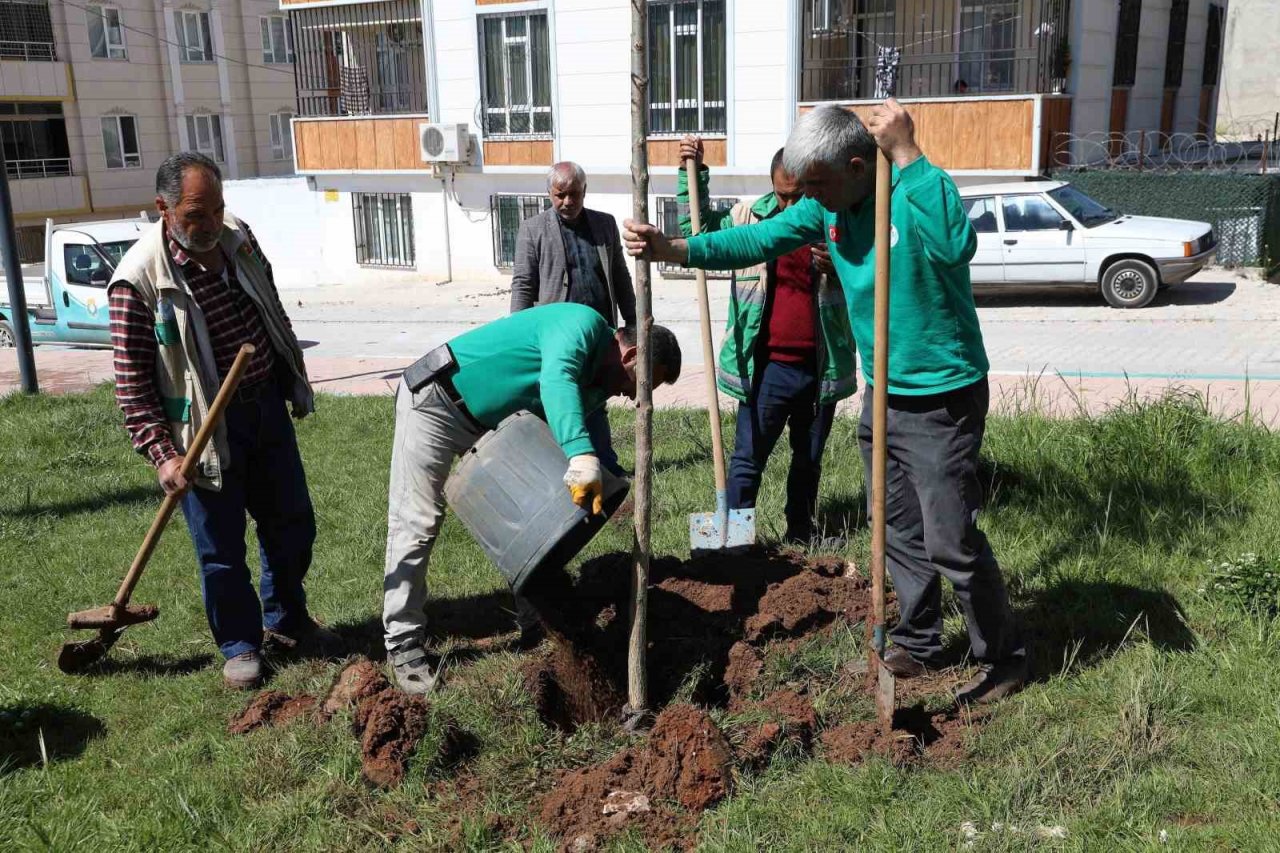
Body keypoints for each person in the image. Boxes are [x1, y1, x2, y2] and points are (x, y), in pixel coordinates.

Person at [622, 100, 1028, 705]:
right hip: (883, 395)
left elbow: (956, 247)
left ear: (861, 166)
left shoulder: (915, 187)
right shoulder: (824, 207)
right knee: (896, 530)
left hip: (942, 395)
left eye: (816, 183)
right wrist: (675, 250)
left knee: (949, 538)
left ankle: (1002, 655)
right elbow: (755, 239)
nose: (805, 197)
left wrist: (910, 154)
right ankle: (919, 640)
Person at [108, 152, 339, 690]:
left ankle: (286, 620)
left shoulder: (238, 236)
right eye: (195, 215)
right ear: (162, 208)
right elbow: (131, 383)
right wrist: (162, 455)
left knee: (292, 524)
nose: (210, 224)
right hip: (201, 434)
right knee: (221, 549)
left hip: (264, 407)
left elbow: (271, 303)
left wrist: (290, 370)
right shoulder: (139, 280)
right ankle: (239, 644)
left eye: (217, 209)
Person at [382, 303, 682, 695]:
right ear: (631, 354)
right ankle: (403, 644)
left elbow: (567, 431)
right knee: (417, 522)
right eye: (640, 384)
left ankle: (536, 620)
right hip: (437, 402)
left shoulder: (596, 387)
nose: (631, 395)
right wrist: (581, 454)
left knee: (529, 517)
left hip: (494, 427)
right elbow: (556, 380)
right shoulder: (581, 326)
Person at [676, 135, 857, 544]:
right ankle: (735, 541)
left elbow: (876, 271)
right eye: (782, 196)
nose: (790, 207)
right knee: (746, 461)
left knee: (808, 461)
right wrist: (695, 175)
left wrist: (842, 263)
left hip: (820, 365)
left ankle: (798, 536)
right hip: (767, 367)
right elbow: (697, 229)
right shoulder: (750, 219)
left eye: (799, 197)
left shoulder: (834, 220)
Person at [510, 161, 637, 477]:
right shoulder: (533, 229)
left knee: (594, 398)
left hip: (599, 334)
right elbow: (523, 283)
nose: (568, 202)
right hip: (557, 338)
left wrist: (634, 322)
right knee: (557, 399)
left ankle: (605, 463)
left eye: (574, 194)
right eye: (560, 195)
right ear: (549, 194)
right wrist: (519, 331)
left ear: (584, 192)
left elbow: (620, 276)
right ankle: (556, 466)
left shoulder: (604, 225)